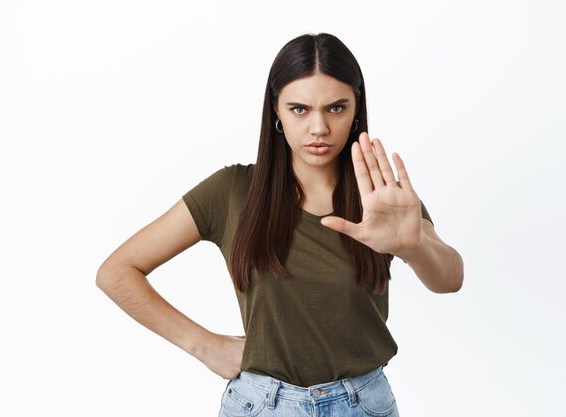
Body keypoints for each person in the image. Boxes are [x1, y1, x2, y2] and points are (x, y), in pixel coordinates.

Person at [96, 32, 463, 417]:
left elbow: (450, 278)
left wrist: (413, 246)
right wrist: (204, 345)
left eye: (336, 108)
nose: (319, 127)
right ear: (276, 110)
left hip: (363, 404)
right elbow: (116, 272)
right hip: (262, 404)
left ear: (357, 109)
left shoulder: (380, 195)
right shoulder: (233, 191)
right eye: (300, 109)